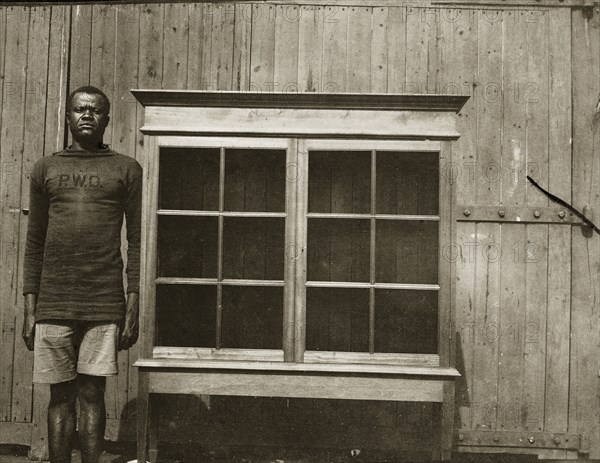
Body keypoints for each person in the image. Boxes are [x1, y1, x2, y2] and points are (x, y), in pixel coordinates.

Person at [22, 86, 142, 463]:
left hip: (103, 301)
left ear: (107, 118)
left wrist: (132, 302)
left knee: (92, 393)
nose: (86, 115)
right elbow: (34, 241)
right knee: (59, 396)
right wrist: (30, 307)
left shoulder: (126, 168)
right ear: (69, 117)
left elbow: (137, 240)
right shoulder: (46, 168)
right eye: (79, 109)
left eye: (95, 110)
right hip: (53, 301)